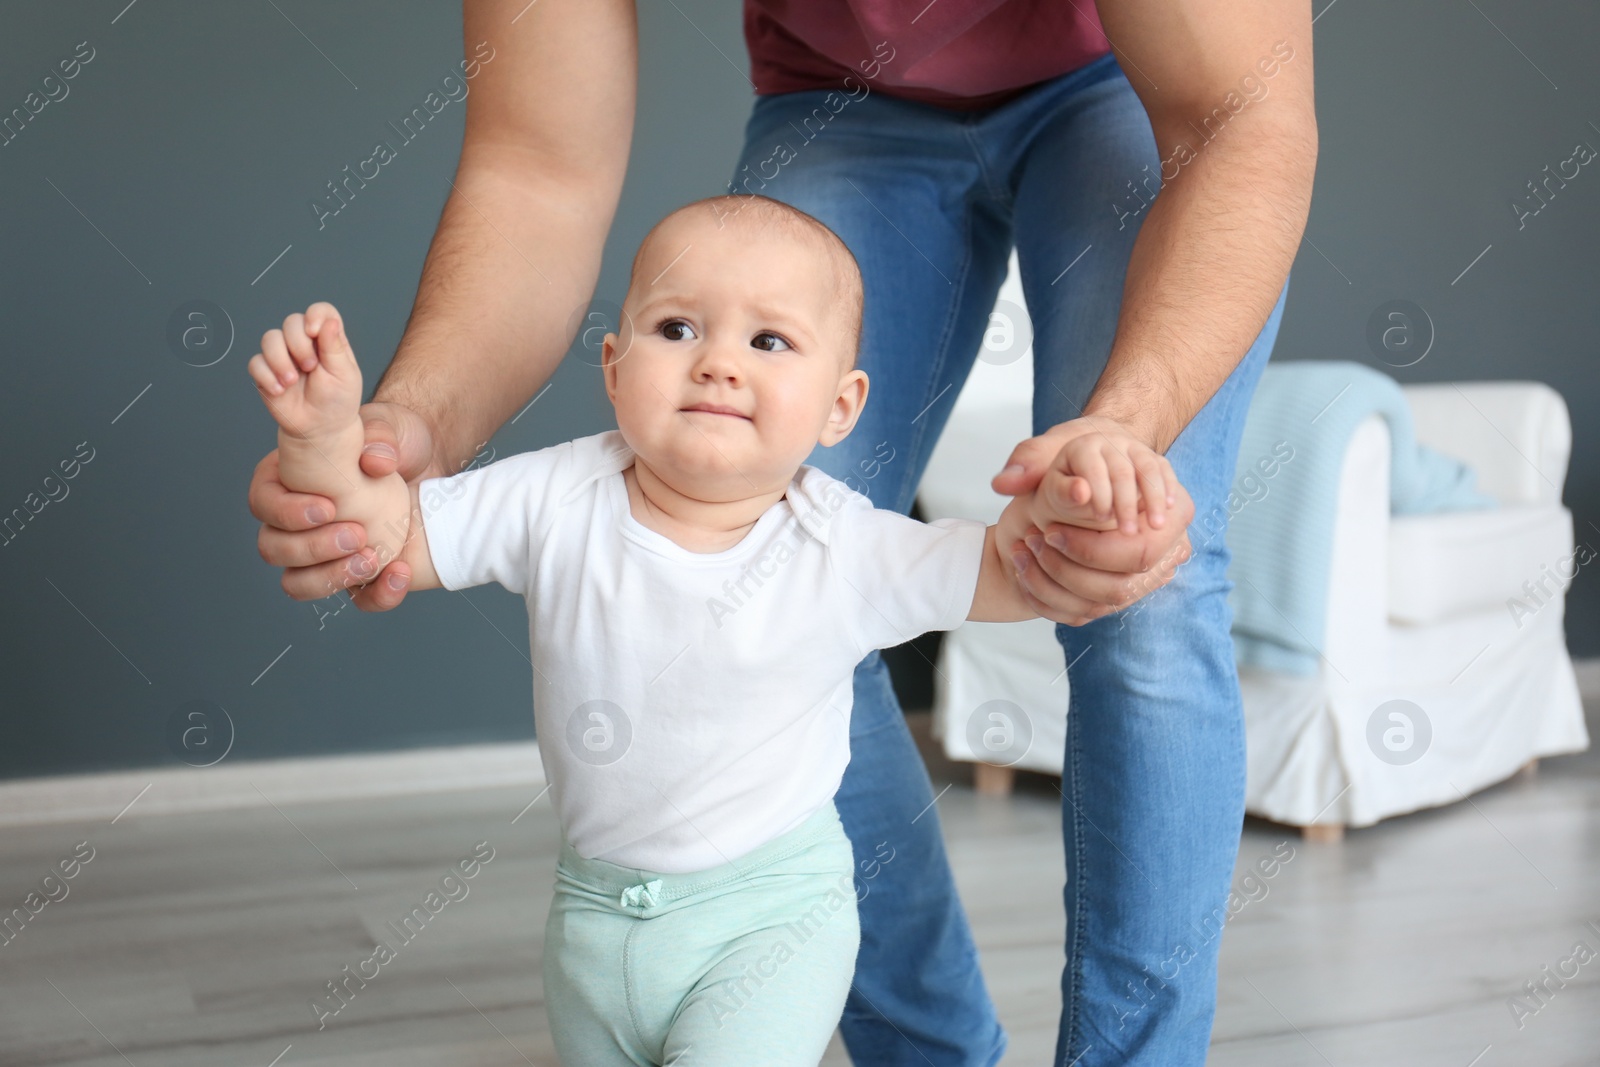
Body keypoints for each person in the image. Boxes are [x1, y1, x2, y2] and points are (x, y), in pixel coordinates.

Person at [248, 3, 1316, 1064]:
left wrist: (1118, 438)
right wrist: (401, 430)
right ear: (612, 361)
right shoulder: (567, 494)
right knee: (766, 577)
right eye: (675, 333)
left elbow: (1241, 118)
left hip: (1133, 89)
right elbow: (539, 166)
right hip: (844, 100)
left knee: (1142, 591)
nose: (715, 363)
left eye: (753, 342)